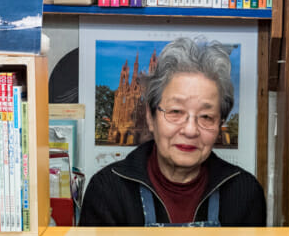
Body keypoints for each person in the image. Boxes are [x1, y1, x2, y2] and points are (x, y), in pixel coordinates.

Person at [79, 38, 266, 226]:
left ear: (219, 125)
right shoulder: (108, 191)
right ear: (151, 118)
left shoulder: (244, 193)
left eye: (206, 117)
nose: (190, 130)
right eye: (176, 112)